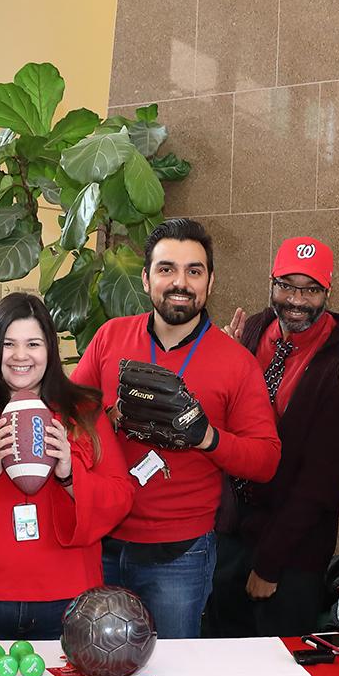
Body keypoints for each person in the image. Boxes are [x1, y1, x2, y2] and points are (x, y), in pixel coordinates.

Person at [72, 217, 281, 638]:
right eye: (167, 269)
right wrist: (107, 420)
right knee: (92, 665)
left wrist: (208, 438)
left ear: (210, 282)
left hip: (180, 556)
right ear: (146, 279)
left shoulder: (236, 363)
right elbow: (68, 415)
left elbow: (266, 459)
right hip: (101, 541)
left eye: (194, 271)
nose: (180, 282)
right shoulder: (110, 337)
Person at [0, 293, 133, 641]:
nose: (20, 356)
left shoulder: (84, 412)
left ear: (49, 349)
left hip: (67, 604)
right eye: (8, 344)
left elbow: (121, 496)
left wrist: (69, 474)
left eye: (33, 343)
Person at [206, 237, 339, 637]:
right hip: (231, 533)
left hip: (291, 552)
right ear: (271, 282)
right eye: (287, 286)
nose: (296, 299)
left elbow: (321, 482)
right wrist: (220, 360)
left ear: (328, 291)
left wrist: (269, 564)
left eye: (310, 289)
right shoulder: (254, 329)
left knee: (279, 674)